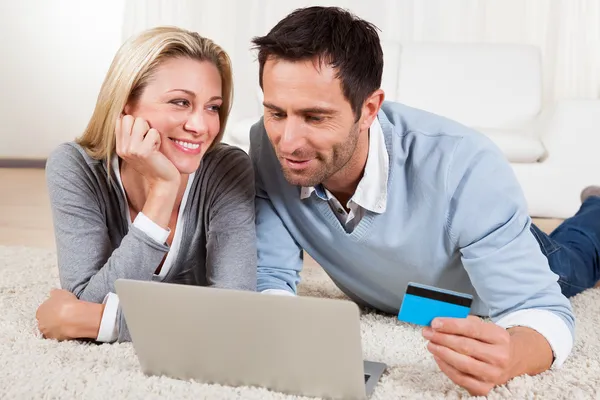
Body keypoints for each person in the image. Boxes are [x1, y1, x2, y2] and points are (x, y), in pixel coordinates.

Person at [249, 6, 600, 396]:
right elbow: (271, 279)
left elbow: (543, 310)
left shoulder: (465, 167)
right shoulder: (267, 146)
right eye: (276, 112)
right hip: (410, 298)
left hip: (482, 283)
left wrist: (513, 354)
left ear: (368, 109)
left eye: (315, 117)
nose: (289, 141)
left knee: (575, 257)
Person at [36, 26, 257, 343]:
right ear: (126, 103)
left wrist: (104, 324)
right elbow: (89, 299)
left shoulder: (228, 169)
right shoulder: (75, 166)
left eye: (212, 107)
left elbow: (235, 312)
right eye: (180, 102)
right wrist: (162, 193)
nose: (200, 126)